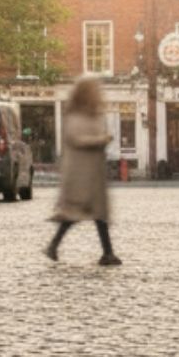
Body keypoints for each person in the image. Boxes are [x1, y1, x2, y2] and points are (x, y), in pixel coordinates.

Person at [46, 75, 121, 266]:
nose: (98, 93)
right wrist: (101, 140)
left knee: (99, 215)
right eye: (94, 90)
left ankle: (107, 253)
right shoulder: (74, 115)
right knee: (74, 214)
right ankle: (53, 245)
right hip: (79, 173)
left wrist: (103, 139)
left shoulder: (95, 114)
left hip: (94, 172)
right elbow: (76, 138)